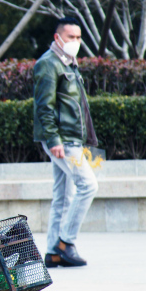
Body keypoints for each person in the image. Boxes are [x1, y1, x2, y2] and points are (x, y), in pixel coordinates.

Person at [33, 17, 99, 268]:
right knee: (88, 185)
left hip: (71, 140)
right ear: (57, 38)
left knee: (63, 195)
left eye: (79, 37)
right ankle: (65, 242)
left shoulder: (69, 64)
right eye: (71, 37)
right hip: (62, 141)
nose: (76, 42)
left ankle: (53, 251)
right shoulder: (48, 64)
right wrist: (53, 140)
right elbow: (44, 106)